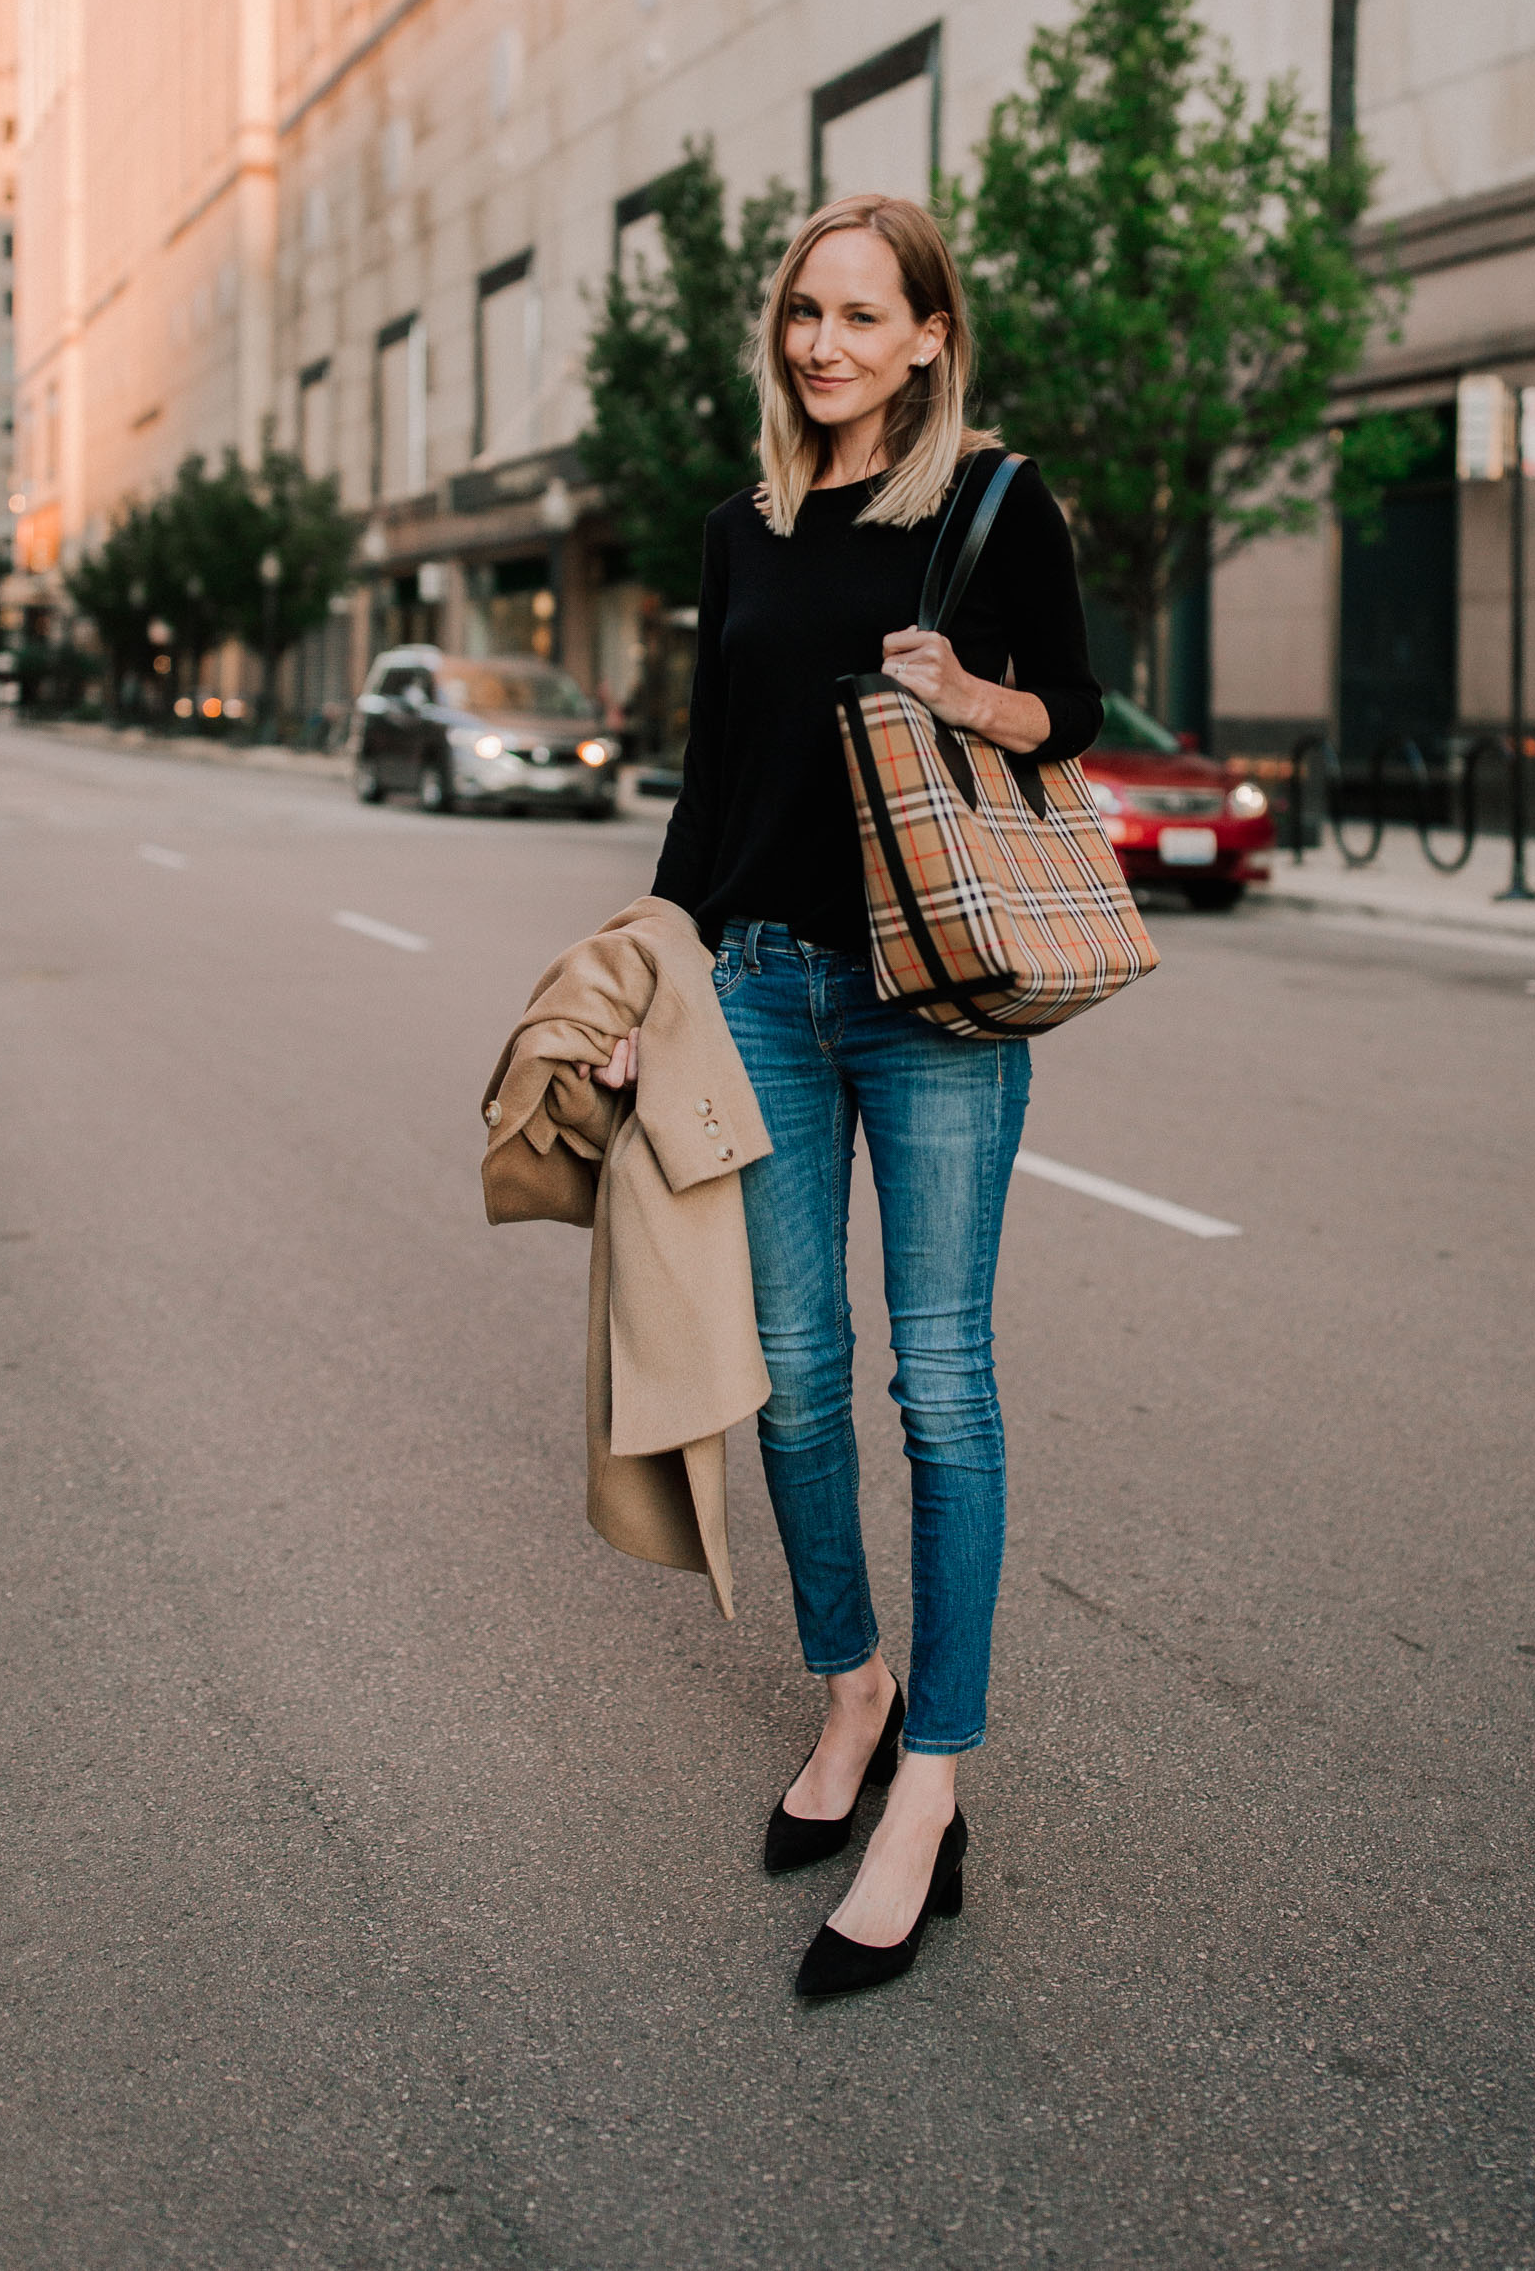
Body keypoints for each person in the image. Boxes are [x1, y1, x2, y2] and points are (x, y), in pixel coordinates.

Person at [602, 193, 1102, 1997]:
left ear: (926, 339)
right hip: (761, 989)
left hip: (941, 1000)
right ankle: (853, 1690)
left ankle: (933, 1787)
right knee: (795, 1373)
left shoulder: (990, 505)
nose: (823, 343)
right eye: (804, 313)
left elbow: (1077, 712)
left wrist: (974, 689)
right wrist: (650, 985)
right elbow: (708, 777)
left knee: (940, 1384)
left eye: (861, 316)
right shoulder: (742, 526)